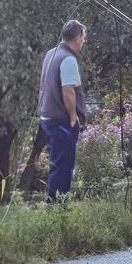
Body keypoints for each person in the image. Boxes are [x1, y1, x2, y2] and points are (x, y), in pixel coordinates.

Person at [37, 20, 88, 200]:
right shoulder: (68, 59)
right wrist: (73, 117)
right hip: (62, 120)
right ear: (77, 37)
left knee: (56, 163)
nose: (84, 41)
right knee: (64, 166)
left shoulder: (51, 54)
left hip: (47, 117)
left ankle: (54, 204)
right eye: (83, 37)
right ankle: (58, 207)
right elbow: (68, 92)